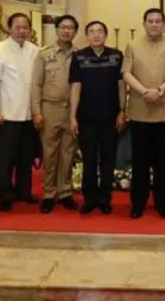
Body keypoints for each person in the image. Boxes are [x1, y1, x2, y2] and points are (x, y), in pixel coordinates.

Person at [122, 9, 165, 219]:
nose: (154, 24)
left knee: (163, 162)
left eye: (158, 21)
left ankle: (162, 203)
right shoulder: (132, 45)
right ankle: (138, 203)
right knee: (139, 161)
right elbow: (126, 73)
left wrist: (160, 90)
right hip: (139, 110)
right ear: (144, 24)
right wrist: (144, 92)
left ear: (164, 24)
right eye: (150, 21)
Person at [69, 20, 126, 215]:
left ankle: (105, 199)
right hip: (86, 118)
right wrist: (72, 117)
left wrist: (122, 111)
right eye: (92, 31)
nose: (96, 35)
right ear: (87, 36)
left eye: (100, 31)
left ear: (105, 35)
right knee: (89, 160)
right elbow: (75, 87)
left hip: (111, 118)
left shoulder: (116, 56)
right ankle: (90, 199)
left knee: (108, 160)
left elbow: (121, 85)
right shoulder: (78, 57)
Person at [0, 13, 40, 212]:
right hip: (7, 113)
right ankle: (5, 195)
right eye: (17, 27)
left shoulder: (35, 50)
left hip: (29, 114)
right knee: (7, 158)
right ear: (9, 28)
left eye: (25, 27)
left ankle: (24, 191)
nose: (22, 31)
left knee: (26, 157)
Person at [31, 14, 79, 214]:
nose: (66, 31)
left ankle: (65, 192)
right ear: (57, 29)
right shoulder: (44, 54)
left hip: (71, 110)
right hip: (49, 108)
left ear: (75, 32)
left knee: (68, 153)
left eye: (71, 28)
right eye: (63, 27)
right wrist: (37, 112)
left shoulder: (79, 55)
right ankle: (49, 193)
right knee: (49, 153)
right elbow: (36, 84)